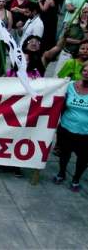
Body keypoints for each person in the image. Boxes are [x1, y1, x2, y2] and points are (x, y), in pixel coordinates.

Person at [53, 61, 88, 192]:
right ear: (81, 72)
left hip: (86, 134)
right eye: (85, 70)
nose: (87, 73)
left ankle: (76, 179)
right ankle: (61, 173)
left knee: (83, 159)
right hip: (66, 129)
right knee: (64, 154)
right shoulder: (69, 86)